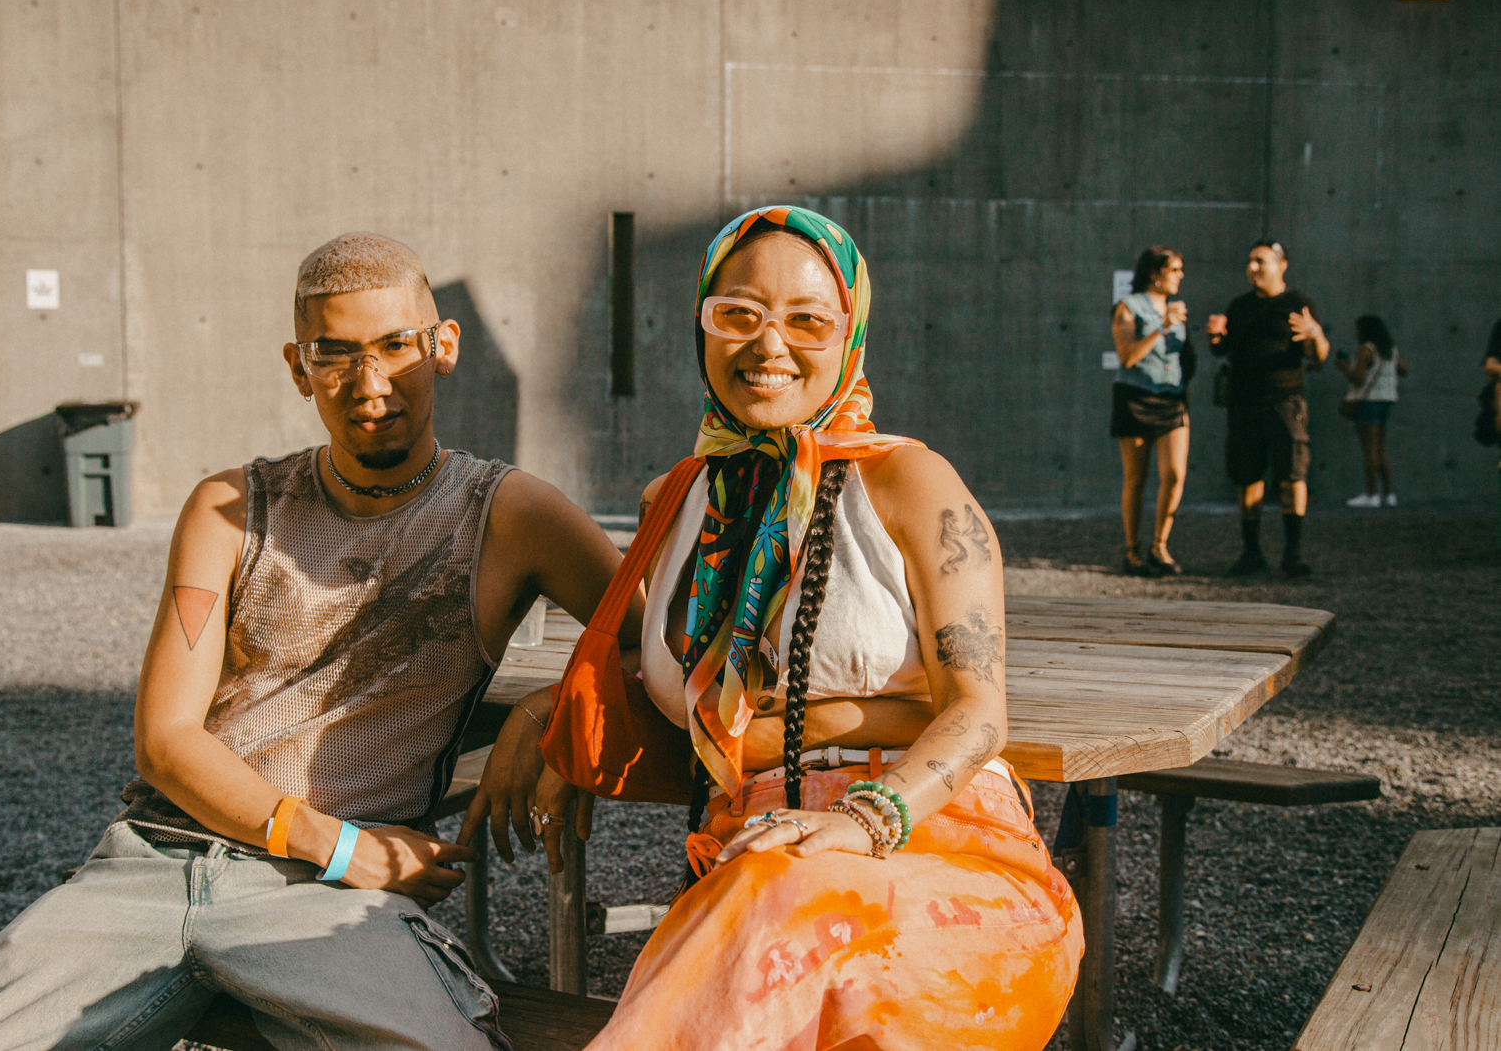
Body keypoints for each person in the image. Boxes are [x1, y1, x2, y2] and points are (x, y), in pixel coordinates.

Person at [0, 232, 631, 1051]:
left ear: (444, 345)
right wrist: (340, 843)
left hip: (326, 905)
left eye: (397, 346)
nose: (371, 383)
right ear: (298, 366)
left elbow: (668, 651)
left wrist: (546, 710)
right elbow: (166, 740)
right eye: (336, 354)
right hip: (154, 861)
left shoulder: (509, 513)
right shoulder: (230, 505)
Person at [535, 207, 1082, 1051]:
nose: (769, 344)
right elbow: (696, 705)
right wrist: (543, 722)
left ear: (850, 332)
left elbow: (979, 710)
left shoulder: (908, 480)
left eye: (807, 320)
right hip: (756, 855)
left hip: (937, 845)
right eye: (738, 314)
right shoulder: (674, 504)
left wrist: (864, 819)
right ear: (702, 324)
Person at [1206, 240, 1329, 578]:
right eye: (1250, 261)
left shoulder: (1297, 304)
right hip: (1244, 404)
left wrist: (1315, 333)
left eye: (1261, 261)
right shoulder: (1240, 305)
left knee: (1292, 476)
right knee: (1248, 478)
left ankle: (1293, 553)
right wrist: (1217, 338)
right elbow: (1223, 350)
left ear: (1282, 264)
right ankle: (1251, 552)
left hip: (1285, 402)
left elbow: (1318, 355)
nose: (1253, 268)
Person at [1111, 245, 1191, 575]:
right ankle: (1133, 551)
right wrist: (1161, 325)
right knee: (1137, 478)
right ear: (1154, 274)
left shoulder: (1175, 308)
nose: (1180, 276)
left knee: (1174, 474)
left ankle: (1160, 545)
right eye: (1174, 270)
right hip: (1136, 397)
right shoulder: (1127, 308)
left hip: (1172, 398)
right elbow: (1127, 356)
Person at [1334, 314, 1408, 507]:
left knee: (1369, 450)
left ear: (1365, 331)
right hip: (1388, 401)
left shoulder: (1365, 350)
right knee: (1381, 448)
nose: (1355, 332)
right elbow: (1404, 370)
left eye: (1358, 328)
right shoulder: (1390, 350)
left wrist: (1343, 368)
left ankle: (1371, 494)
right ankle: (1389, 495)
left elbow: (1358, 379)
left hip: (1369, 402)